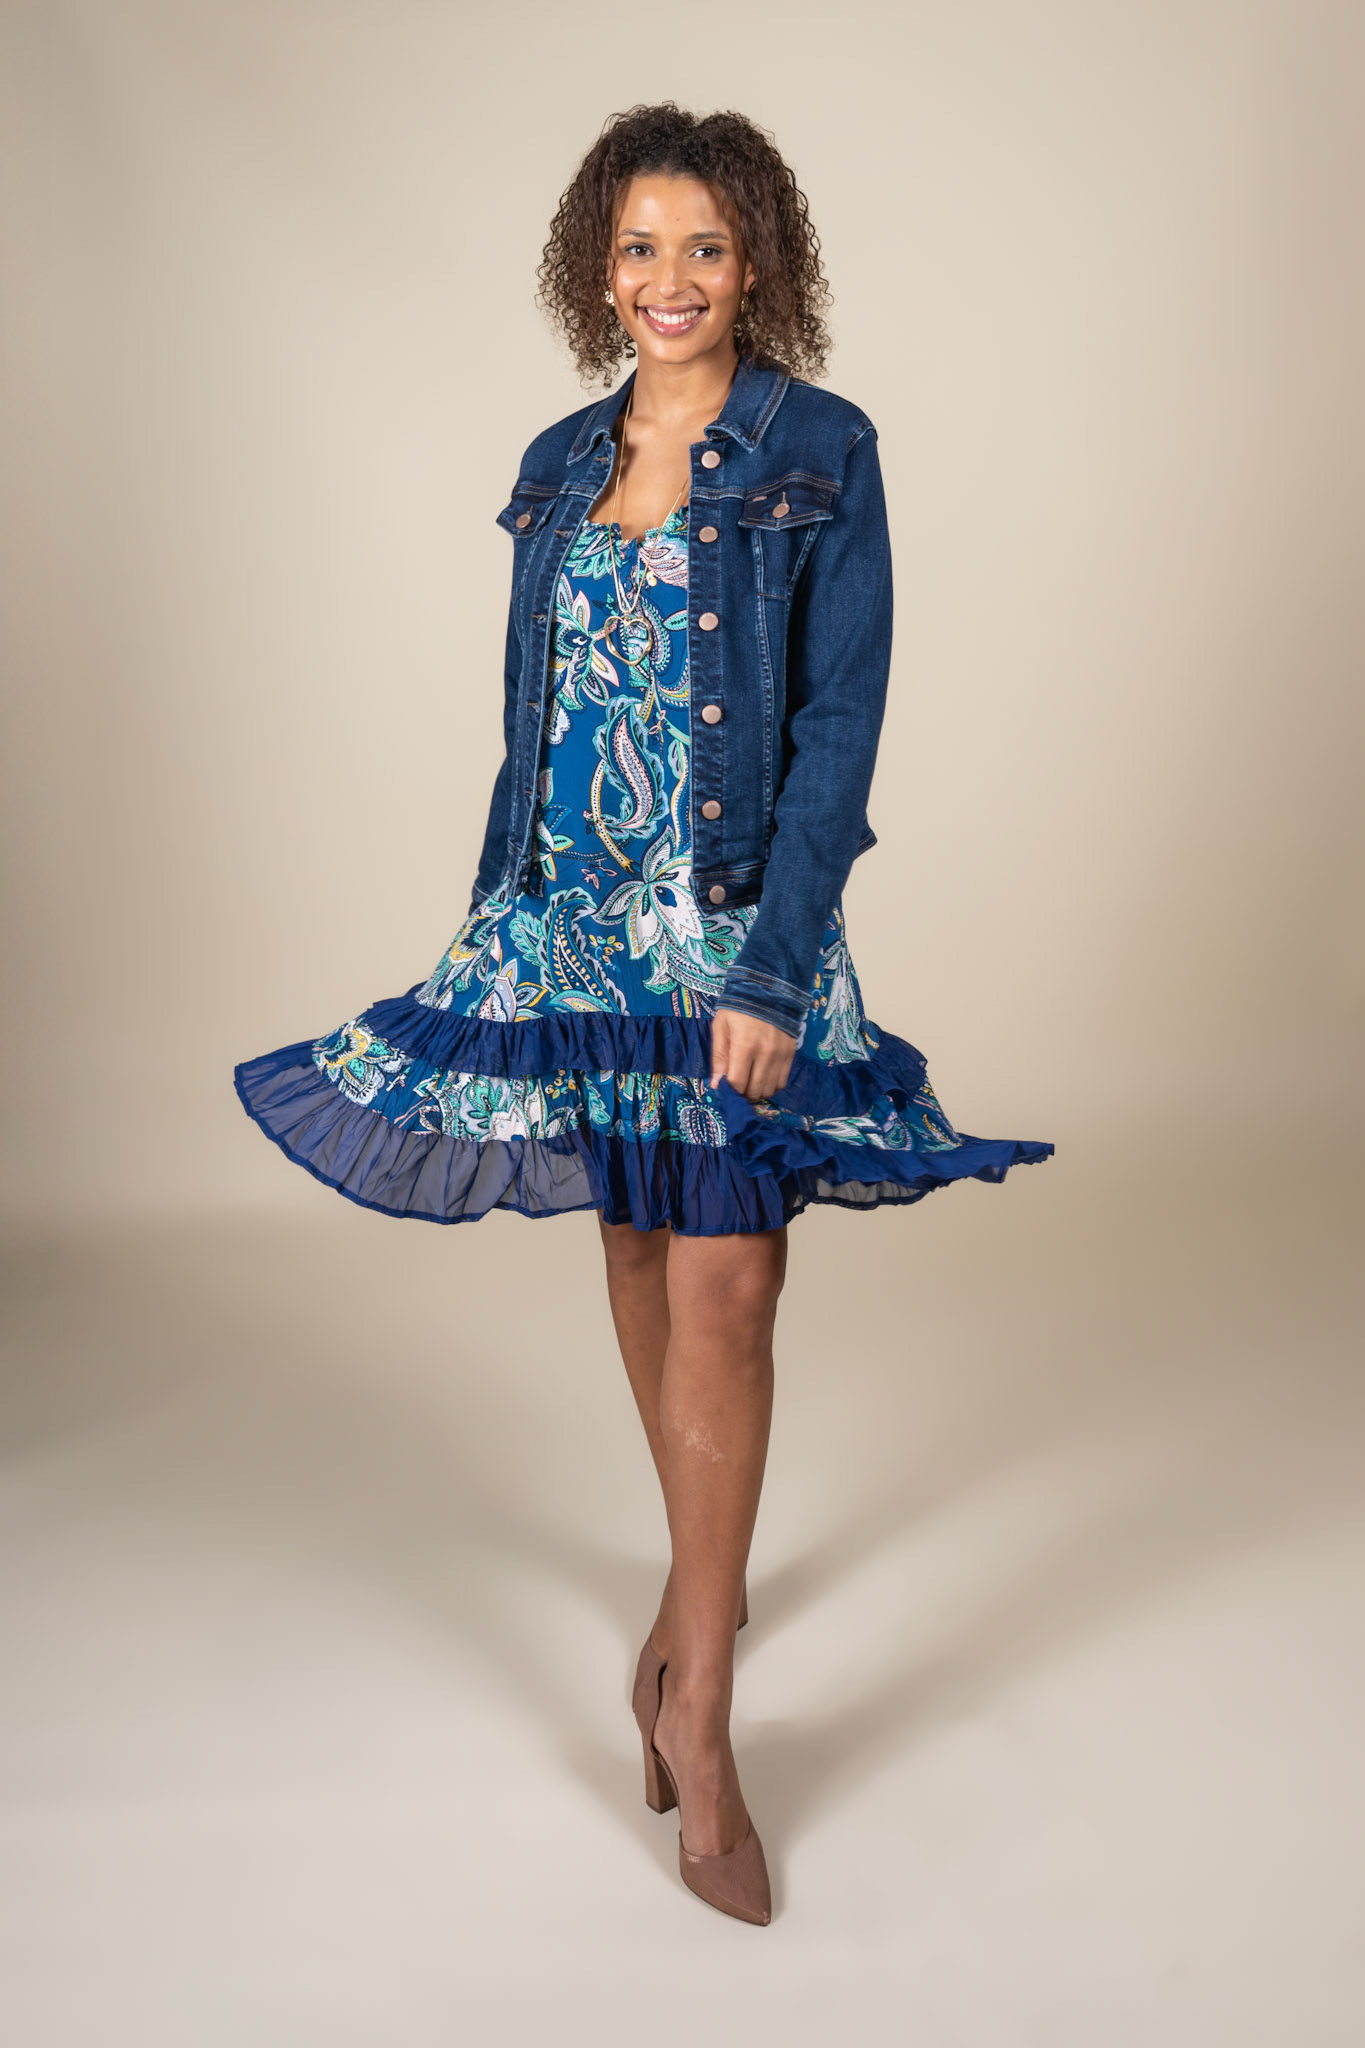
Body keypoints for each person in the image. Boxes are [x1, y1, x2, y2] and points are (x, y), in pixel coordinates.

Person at [235, 102, 1053, 1925]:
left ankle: (699, 1697)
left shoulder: (819, 447)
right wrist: (493, 922)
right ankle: (702, 1589)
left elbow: (836, 724)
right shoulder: (554, 463)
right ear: (592, 269)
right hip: (565, 925)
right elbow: (532, 722)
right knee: (630, 1241)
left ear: (755, 262)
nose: (666, 279)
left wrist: (773, 966)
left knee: (730, 1278)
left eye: (702, 246)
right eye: (635, 247)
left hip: (733, 927)